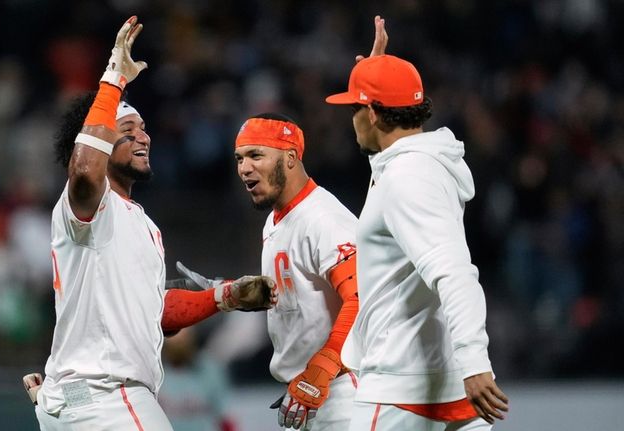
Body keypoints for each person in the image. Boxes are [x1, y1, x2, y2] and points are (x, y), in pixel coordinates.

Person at [25, 16, 275, 431]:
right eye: (128, 130)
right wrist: (113, 80)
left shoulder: (139, 221)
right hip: (107, 397)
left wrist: (224, 297)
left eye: (143, 128)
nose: (144, 137)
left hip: (77, 398)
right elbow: (86, 169)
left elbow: (152, 309)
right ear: (99, 142)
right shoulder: (87, 203)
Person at [177, 17, 389, 431]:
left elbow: (362, 298)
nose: (244, 168)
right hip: (310, 397)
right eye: (239, 158)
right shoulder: (277, 220)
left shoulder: (321, 217)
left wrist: (320, 373)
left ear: (290, 157)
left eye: (256, 155)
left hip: (341, 395)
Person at [324, 15, 510, 431]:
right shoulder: (411, 164)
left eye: (355, 107)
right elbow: (386, 158)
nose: (350, 116)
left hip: (402, 384)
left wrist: (475, 359)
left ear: (372, 114)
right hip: (439, 379)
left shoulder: (408, 177)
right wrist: (376, 75)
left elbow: (454, 271)